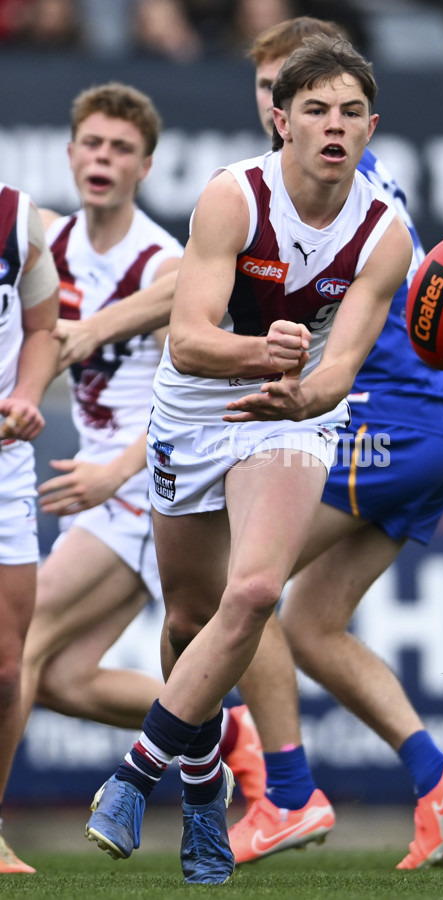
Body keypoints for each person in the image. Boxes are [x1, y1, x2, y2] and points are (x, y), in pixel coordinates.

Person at [84, 33, 414, 885]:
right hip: (195, 410)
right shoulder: (233, 196)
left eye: (350, 112)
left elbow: (340, 368)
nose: (334, 125)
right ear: (281, 121)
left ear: (371, 129)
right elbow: (189, 342)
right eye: (316, 110)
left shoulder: (384, 234)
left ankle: (133, 778)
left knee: (259, 590)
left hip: (290, 419)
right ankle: (205, 792)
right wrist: (264, 355)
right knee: (189, 623)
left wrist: (305, 396)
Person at [224, 16, 443, 871]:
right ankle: (437, 775)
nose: (279, 107)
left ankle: (287, 795)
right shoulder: (352, 177)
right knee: (311, 622)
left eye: (307, 97)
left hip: (381, 417)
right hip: (433, 428)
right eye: (271, 89)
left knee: (243, 583)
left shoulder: (320, 189)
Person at [11, 82, 183, 824]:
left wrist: (117, 470)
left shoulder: (164, 266)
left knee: (18, 642)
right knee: (64, 679)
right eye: (93, 143)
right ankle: (217, 732)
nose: (103, 159)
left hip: (143, 486)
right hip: (98, 484)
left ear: (146, 166)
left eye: (121, 148)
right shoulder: (48, 243)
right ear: (70, 152)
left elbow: (192, 405)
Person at [0, 183, 60, 874]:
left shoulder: (17, 219)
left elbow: (44, 328)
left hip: (5, 462)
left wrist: (26, 394)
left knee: (7, 668)